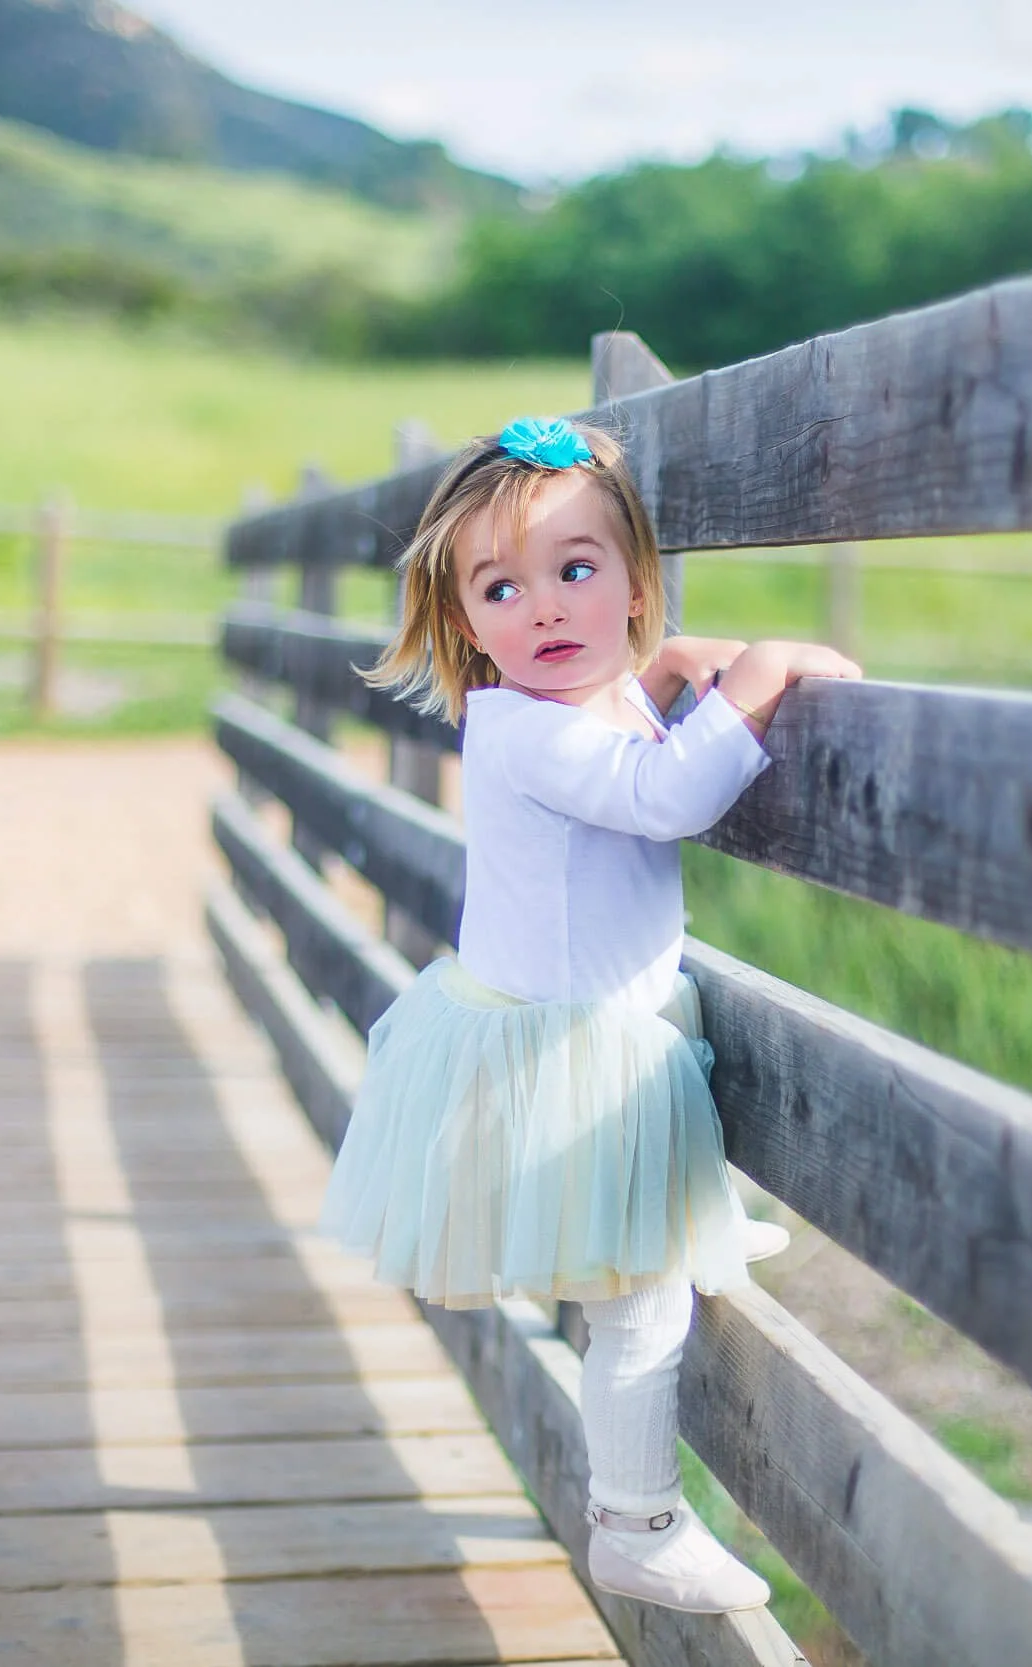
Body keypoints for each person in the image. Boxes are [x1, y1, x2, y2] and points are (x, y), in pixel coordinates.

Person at [318, 414, 859, 1614]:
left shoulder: (578, 692)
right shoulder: (519, 726)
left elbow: (630, 709)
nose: (545, 608)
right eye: (501, 588)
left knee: (651, 1201)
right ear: (463, 621)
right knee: (638, 1303)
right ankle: (634, 1519)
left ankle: (696, 1217)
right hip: (560, 1052)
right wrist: (756, 675)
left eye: (576, 570)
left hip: (582, 1031)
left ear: (632, 585)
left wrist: (667, 669)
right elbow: (661, 795)